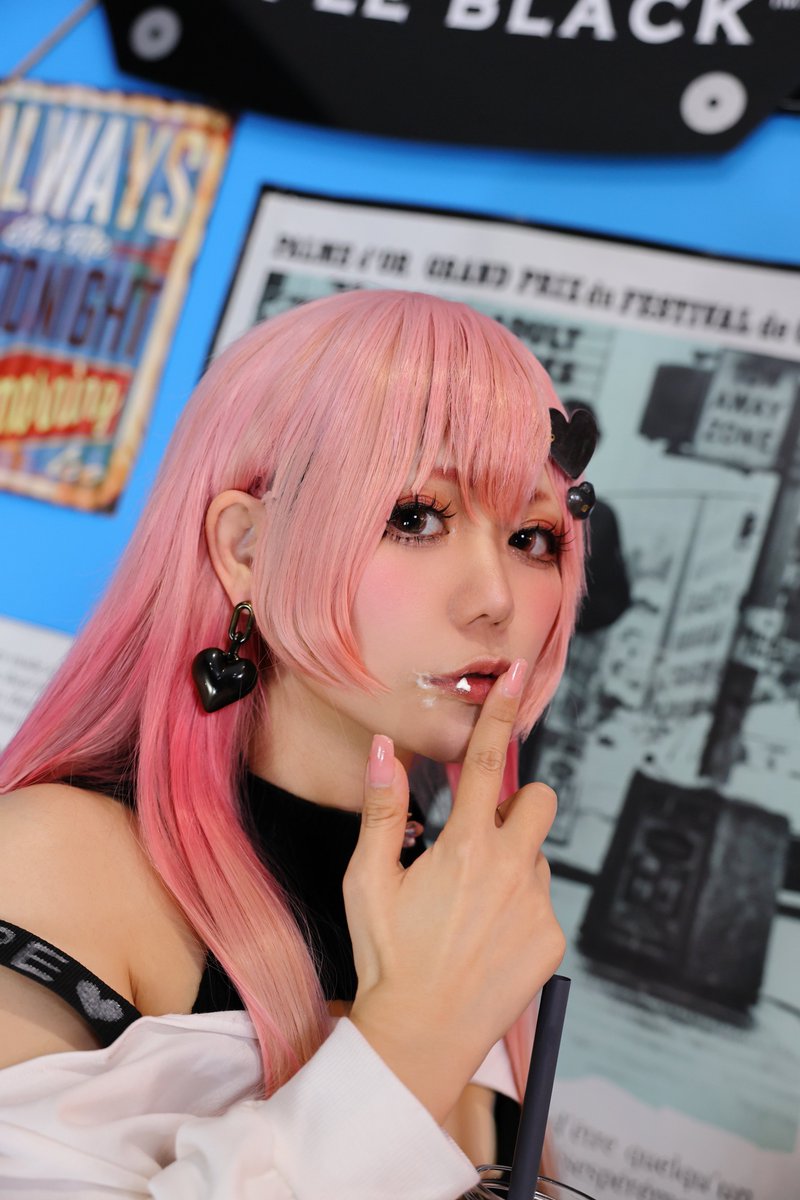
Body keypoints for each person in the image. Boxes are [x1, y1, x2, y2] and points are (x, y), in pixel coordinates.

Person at [0, 289, 592, 1197]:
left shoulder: (460, 898)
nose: (495, 599)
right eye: (416, 518)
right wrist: (410, 1045)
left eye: (532, 536)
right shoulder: (52, 862)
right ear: (245, 547)